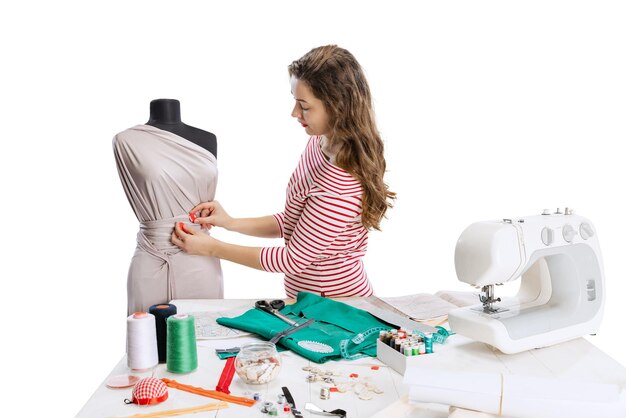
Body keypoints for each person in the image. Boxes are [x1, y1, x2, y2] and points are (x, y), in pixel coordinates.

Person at [171, 45, 395, 298]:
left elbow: (290, 260)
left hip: (337, 306)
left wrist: (212, 248)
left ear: (338, 107)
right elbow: (295, 221)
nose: (294, 113)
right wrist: (231, 223)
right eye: (294, 101)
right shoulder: (320, 141)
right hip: (308, 302)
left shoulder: (341, 186)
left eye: (304, 106)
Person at [113, 99, 223, 314]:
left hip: (201, 257)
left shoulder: (208, 139)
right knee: (146, 340)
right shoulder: (126, 140)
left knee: (205, 338)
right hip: (152, 256)